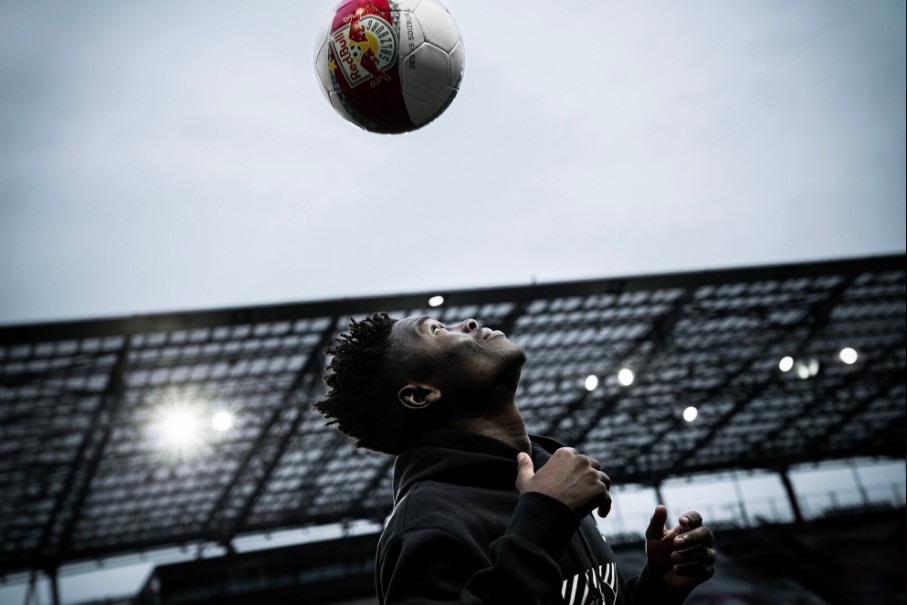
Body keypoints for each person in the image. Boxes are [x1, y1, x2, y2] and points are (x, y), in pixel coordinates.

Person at [314, 313, 716, 604]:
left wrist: (656, 588)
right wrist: (543, 520)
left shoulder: (553, 475)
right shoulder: (426, 525)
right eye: (436, 330)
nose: (469, 323)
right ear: (420, 394)